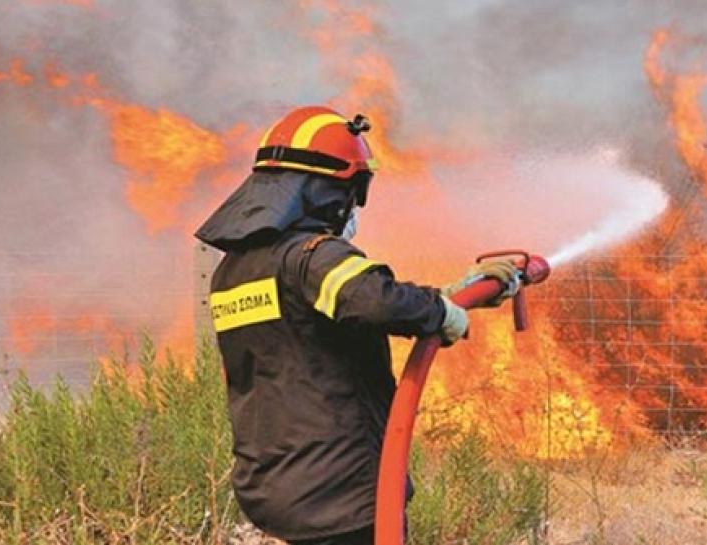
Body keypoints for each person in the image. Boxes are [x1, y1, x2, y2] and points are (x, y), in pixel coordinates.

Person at [194, 106, 519, 544]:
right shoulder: (312, 256)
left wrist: (447, 295)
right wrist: (442, 314)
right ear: (328, 191)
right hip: (342, 491)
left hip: (277, 485)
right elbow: (374, 300)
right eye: (353, 190)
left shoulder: (235, 271)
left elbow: (331, 312)